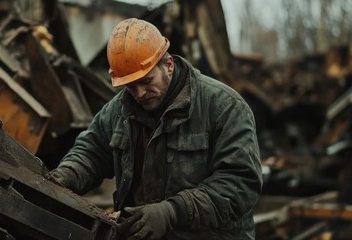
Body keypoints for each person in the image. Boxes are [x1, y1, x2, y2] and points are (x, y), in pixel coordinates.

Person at [47, 18, 263, 240]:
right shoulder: (120, 109)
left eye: (147, 81)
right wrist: (64, 178)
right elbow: (91, 152)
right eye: (131, 86)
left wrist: (173, 212)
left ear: (168, 65)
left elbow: (241, 183)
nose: (140, 93)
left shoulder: (224, 107)